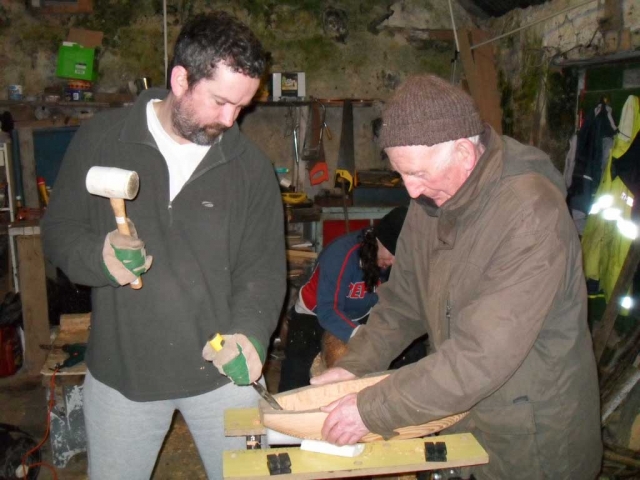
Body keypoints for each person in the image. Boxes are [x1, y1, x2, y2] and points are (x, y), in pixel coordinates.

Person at [311, 75, 602, 479]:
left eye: (419, 174)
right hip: (465, 420)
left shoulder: (531, 215)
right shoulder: (431, 201)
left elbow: (479, 355)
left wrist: (371, 410)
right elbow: (402, 303)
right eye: (401, 175)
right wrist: (353, 368)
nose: (411, 191)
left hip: (532, 438)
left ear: (465, 152)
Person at [41, 12, 286, 479]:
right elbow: (59, 232)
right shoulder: (101, 140)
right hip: (123, 375)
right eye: (220, 102)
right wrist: (100, 257)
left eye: (243, 106)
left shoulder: (249, 168)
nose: (231, 119)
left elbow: (264, 269)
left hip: (224, 375)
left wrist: (252, 335)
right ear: (180, 79)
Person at [279, 206, 426, 392]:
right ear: (379, 241)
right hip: (316, 313)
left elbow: (395, 307)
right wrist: (360, 335)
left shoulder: (390, 261)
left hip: (362, 313)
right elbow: (328, 311)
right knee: (298, 365)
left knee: (411, 351)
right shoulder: (341, 254)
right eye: (393, 254)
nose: (394, 263)